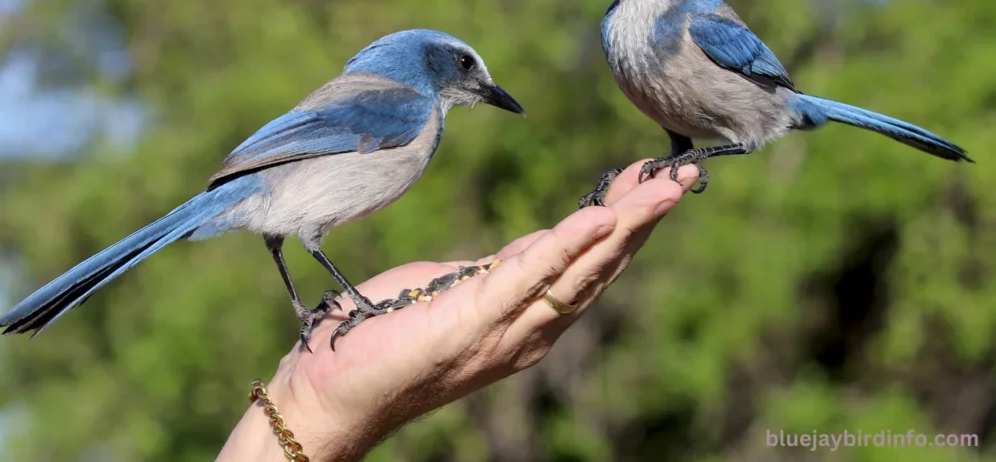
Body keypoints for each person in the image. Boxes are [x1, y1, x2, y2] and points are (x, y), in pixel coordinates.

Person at [217, 161, 699, 461]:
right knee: (306, 236)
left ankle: (313, 308)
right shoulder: (405, 103)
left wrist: (306, 407)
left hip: (270, 184)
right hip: (271, 178)